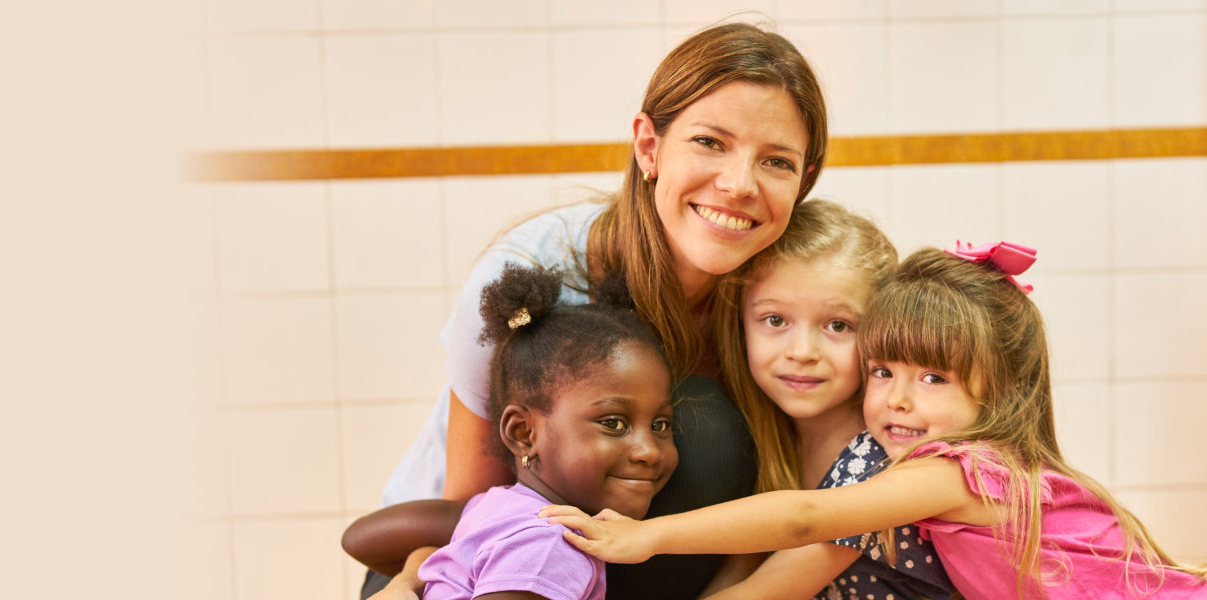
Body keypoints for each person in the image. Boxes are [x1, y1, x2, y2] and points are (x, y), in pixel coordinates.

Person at [344, 21, 829, 600]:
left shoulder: (784, 292)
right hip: (459, 561)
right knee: (709, 429)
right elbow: (472, 512)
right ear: (649, 146)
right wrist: (405, 580)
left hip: (611, 562)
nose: (739, 183)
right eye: (710, 142)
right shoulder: (532, 273)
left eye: (776, 161)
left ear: (804, 180)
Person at [543, 244, 1207, 600]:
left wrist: (649, 537)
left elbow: (808, 519)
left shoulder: (962, 472)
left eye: (933, 378)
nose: (898, 399)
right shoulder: (933, 464)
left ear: (998, 392)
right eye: (883, 372)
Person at [705, 199, 952, 599]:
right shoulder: (765, 438)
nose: (802, 351)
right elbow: (741, 564)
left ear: (880, 335)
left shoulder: (879, 460)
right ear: (740, 324)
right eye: (775, 320)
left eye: (838, 325)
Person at [411, 265, 676, 600]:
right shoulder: (552, 544)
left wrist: (406, 582)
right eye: (613, 423)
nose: (649, 451)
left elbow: (361, 538)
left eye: (660, 425)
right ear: (524, 434)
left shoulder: (494, 507)